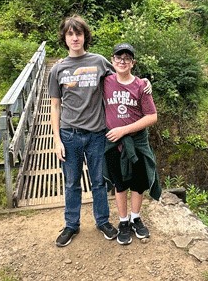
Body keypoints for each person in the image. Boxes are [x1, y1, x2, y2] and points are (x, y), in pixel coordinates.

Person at [49, 15, 118, 247]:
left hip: (97, 134)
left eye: (78, 33)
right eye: (70, 34)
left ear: (85, 36)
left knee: (98, 181)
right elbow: (55, 106)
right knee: (71, 183)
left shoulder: (99, 61)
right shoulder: (57, 69)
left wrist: (142, 83)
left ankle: (102, 221)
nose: (75, 37)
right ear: (65, 38)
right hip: (69, 134)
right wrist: (57, 139)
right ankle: (71, 225)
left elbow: (120, 80)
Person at [102, 42, 162, 246]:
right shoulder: (106, 82)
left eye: (127, 58)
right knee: (119, 185)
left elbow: (152, 116)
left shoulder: (141, 86)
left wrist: (124, 130)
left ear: (133, 63)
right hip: (113, 144)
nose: (122, 61)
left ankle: (136, 217)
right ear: (112, 60)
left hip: (136, 143)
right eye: (118, 57)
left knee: (138, 184)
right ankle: (123, 222)